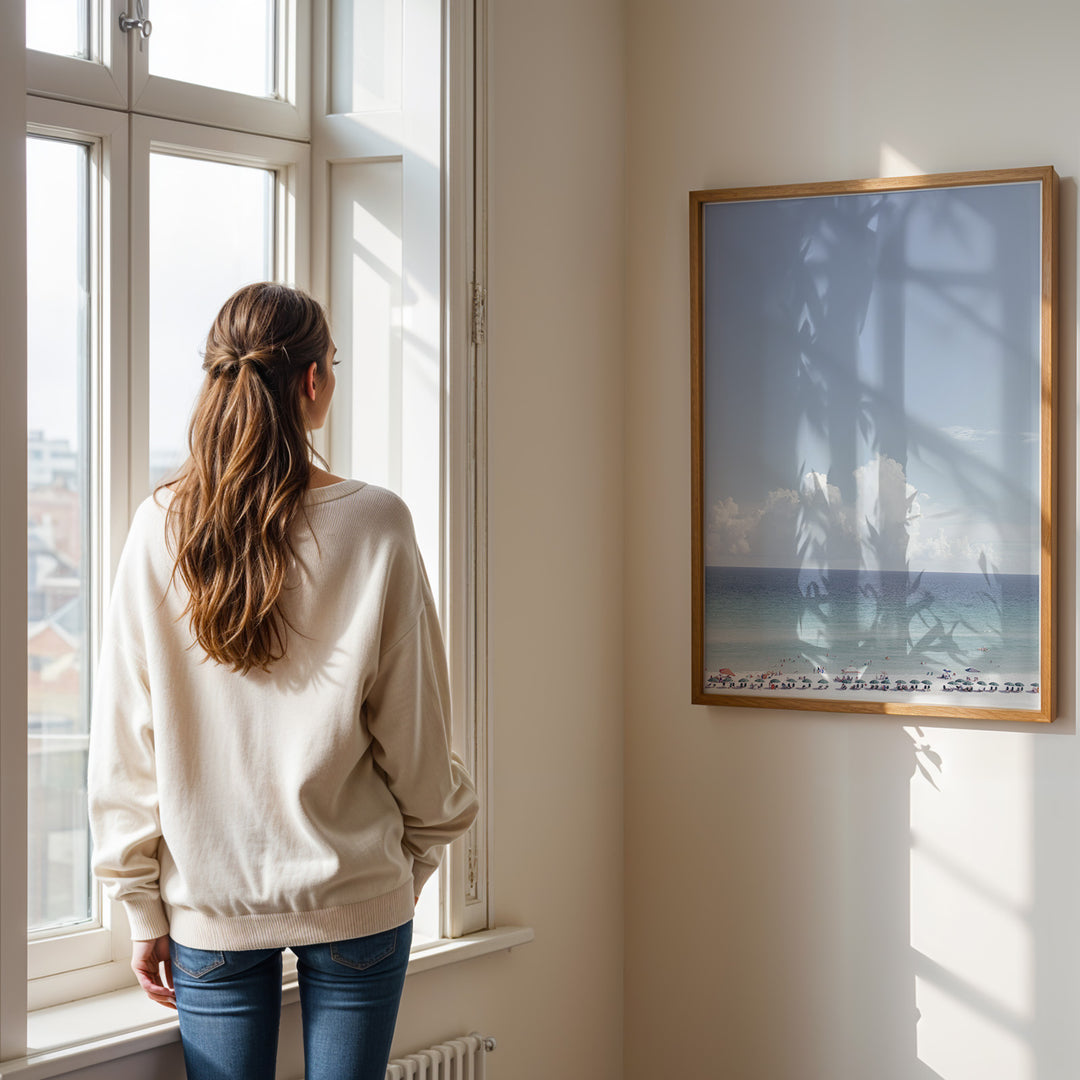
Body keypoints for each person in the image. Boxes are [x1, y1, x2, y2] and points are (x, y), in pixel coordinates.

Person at [88, 282, 479, 1080]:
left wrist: (140, 905)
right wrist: (421, 852)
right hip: (359, 891)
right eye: (331, 364)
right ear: (311, 381)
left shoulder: (158, 525)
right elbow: (415, 725)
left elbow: (126, 733)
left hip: (209, 905)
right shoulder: (375, 523)